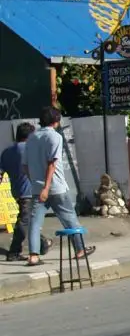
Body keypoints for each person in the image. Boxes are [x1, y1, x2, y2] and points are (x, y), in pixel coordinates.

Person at [23, 106, 94, 267]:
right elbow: (52, 163)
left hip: (37, 189)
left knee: (35, 223)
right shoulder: (55, 137)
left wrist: (36, 183)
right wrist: (47, 187)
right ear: (56, 121)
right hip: (55, 187)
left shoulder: (32, 138)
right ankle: (80, 249)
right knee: (69, 218)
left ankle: (33, 256)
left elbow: (25, 166)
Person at [2, 123, 51, 261]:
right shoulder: (30, 150)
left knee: (28, 219)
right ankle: (14, 252)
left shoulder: (7, 152)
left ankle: (42, 244)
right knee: (25, 220)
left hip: (17, 191)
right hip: (30, 190)